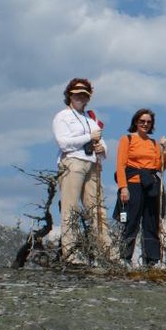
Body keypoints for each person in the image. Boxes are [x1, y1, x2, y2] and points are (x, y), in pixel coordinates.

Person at [52, 78, 109, 264]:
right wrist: (88, 137)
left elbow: (100, 140)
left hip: (92, 163)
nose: (80, 98)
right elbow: (63, 142)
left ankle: (105, 252)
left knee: (97, 210)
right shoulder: (62, 116)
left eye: (84, 95)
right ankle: (71, 254)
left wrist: (103, 149)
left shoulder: (90, 119)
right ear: (69, 95)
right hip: (73, 162)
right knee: (70, 208)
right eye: (77, 94)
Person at [116, 108, 166, 268]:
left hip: (151, 183)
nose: (145, 124)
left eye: (148, 122)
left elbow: (161, 167)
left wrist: (165, 150)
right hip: (133, 182)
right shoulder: (127, 139)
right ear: (136, 122)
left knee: (151, 221)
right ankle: (125, 257)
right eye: (142, 121)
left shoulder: (154, 143)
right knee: (131, 220)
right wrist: (123, 187)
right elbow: (120, 165)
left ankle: (151, 259)